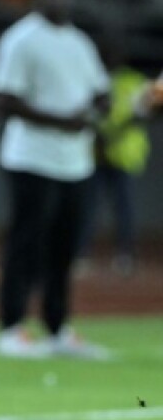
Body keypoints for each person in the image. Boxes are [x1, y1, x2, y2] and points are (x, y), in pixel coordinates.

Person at [0, 0, 111, 361]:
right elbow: (4, 98)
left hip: (75, 162)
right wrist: (62, 121)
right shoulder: (21, 39)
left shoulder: (79, 42)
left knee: (65, 248)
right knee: (25, 244)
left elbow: (101, 91)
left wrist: (99, 107)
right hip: (31, 158)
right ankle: (11, 328)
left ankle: (58, 328)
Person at [77, 58, 159, 276]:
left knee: (123, 207)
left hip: (124, 156)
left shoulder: (134, 81)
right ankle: (81, 254)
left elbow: (148, 112)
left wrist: (131, 121)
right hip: (96, 153)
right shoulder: (94, 78)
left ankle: (126, 255)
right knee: (89, 207)